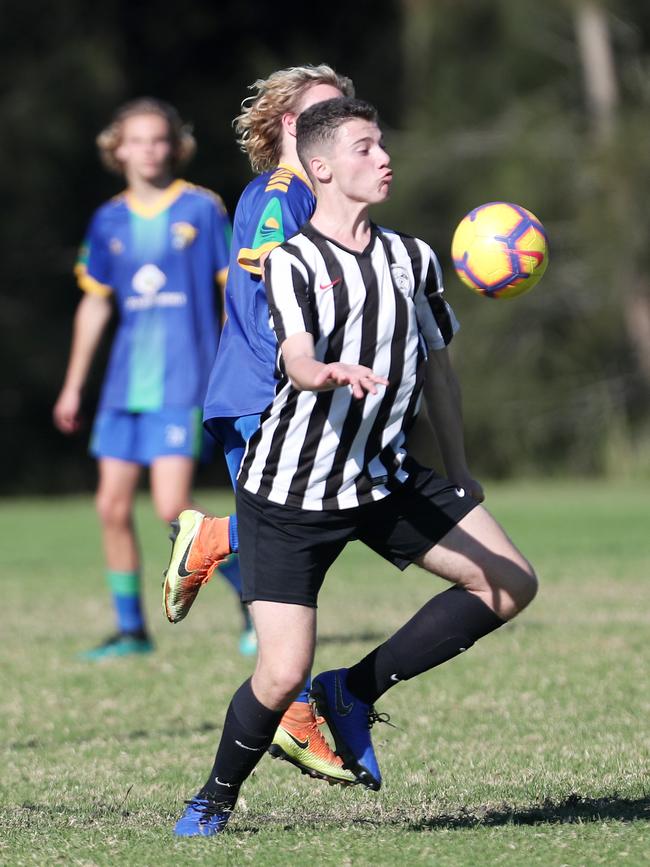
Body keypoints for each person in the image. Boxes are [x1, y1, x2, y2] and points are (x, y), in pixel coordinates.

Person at [172, 96, 538, 836]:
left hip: (382, 477)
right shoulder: (294, 260)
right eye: (366, 148)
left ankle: (353, 689)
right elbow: (296, 356)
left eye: (382, 145)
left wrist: (460, 469)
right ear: (323, 168)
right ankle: (214, 795)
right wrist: (324, 371)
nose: (383, 158)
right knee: (279, 673)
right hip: (288, 491)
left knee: (508, 583)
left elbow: (439, 370)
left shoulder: (414, 257)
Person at [163, 66, 357, 786]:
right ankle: (215, 538)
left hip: (280, 392)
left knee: (308, 537)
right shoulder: (282, 193)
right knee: (293, 541)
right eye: (322, 113)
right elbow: (281, 280)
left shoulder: (317, 193)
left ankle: (296, 707)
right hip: (263, 393)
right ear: (286, 125)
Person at [53, 97, 242, 660]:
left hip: (183, 380)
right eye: (137, 140)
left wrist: (238, 361)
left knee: (171, 507)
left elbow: (234, 290)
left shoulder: (202, 209)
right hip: (123, 386)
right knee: (110, 507)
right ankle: (132, 629)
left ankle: (253, 602)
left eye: (159, 139)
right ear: (118, 148)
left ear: (175, 146)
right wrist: (72, 384)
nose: (149, 150)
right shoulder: (108, 218)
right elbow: (94, 306)